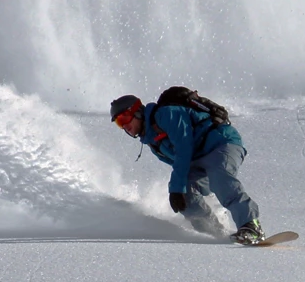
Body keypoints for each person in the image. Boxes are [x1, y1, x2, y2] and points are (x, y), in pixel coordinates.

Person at [109, 94, 264, 244]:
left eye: (124, 119)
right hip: (198, 161)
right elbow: (180, 164)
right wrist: (179, 190)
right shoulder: (153, 142)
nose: (124, 126)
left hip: (221, 144)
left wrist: (177, 187)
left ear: (137, 112)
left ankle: (251, 226)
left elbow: (184, 148)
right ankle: (215, 232)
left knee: (219, 177)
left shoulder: (166, 114)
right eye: (118, 123)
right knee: (185, 195)